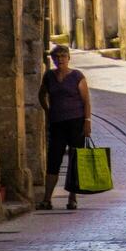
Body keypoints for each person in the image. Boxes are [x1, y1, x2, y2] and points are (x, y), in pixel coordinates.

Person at [37, 45, 92, 210]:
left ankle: (72, 198)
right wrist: (47, 111)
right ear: (53, 60)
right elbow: (41, 94)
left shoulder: (77, 76)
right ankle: (47, 199)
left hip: (76, 122)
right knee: (53, 160)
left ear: (69, 58)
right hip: (57, 124)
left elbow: (86, 101)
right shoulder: (49, 76)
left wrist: (87, 121)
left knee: (75, 161)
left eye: (63, 56)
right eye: (57, 57)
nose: (60, 59)